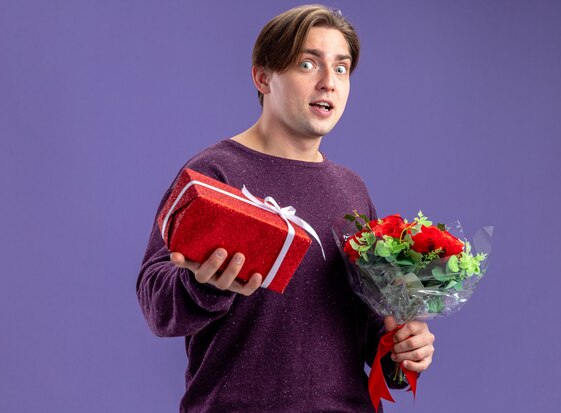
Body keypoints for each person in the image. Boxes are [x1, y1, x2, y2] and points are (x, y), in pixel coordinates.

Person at [137, 5, 435, 412]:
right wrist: (204, 286)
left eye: (342, 68)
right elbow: (156, 302)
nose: (328, 83)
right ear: (263, 77)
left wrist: (401, 352)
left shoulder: (352, 190)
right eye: (307, 64)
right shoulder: (212, 173)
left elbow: (365, 326)